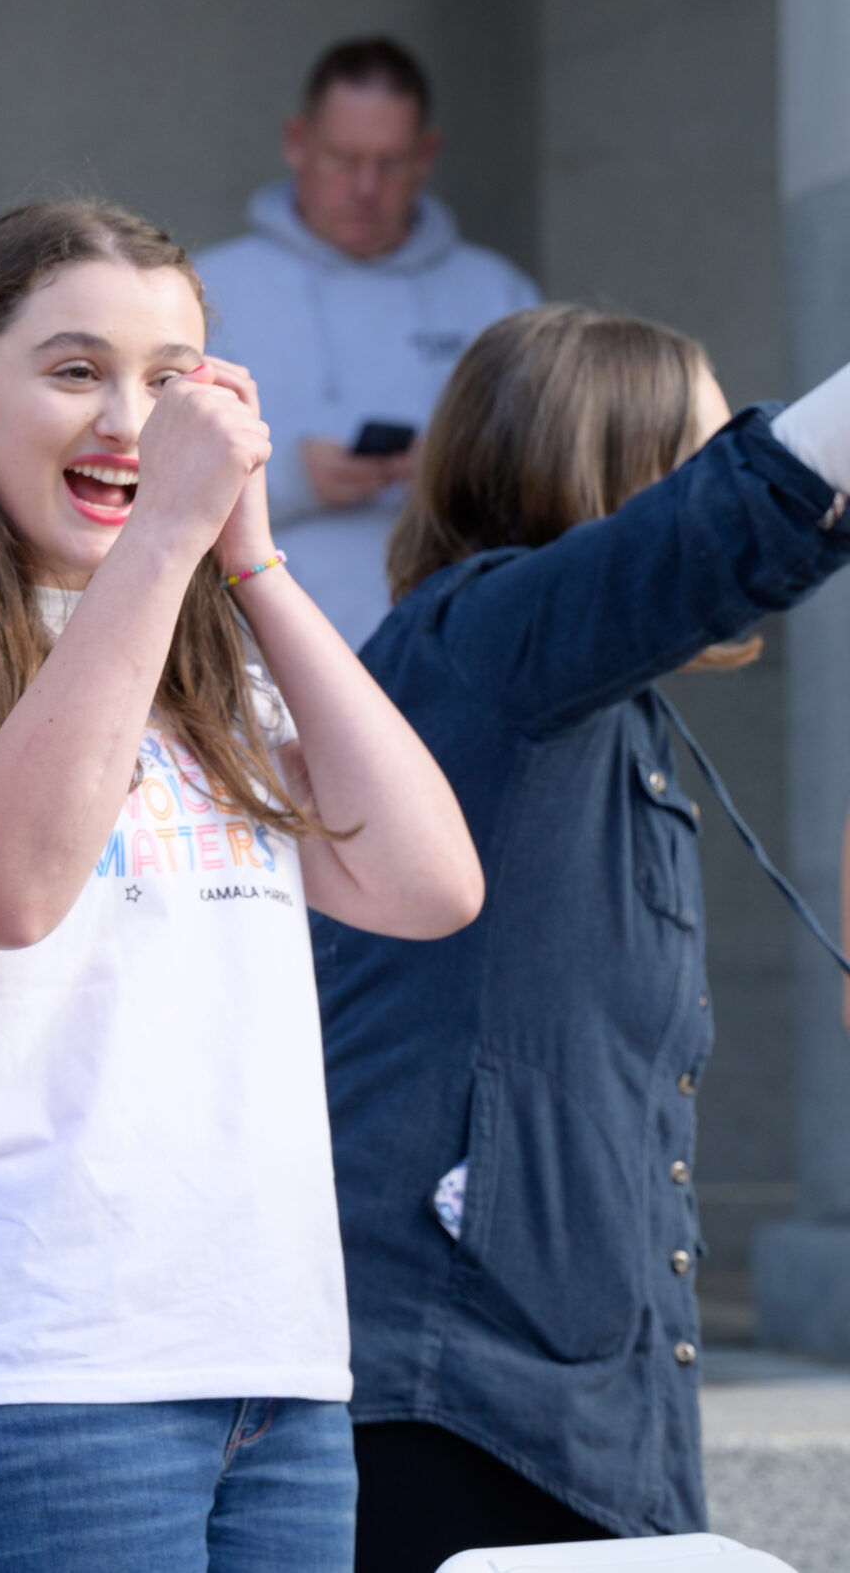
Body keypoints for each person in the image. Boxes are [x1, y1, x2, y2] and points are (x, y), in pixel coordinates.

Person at [0, 199, 482, 1572]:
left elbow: (426, 880)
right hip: (29, 1368)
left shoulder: (208, 647)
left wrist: (251, 556)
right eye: (77, 369)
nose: (130, 423)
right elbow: (8, 886)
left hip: (279, 1362)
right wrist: (165, 541)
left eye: (171, 378)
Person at [318, 311, 850, 1569]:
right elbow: (728, 528)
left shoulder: (581, 710)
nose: (739, 462)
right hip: (458, 1407)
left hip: (575, 1409)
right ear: (622, 480)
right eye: (711, 444)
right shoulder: (484, 640)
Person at [194, 36, 538, 647]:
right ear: (296, 143)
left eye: (388, 163)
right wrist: (291, 479)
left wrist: (453, 473)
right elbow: (143, 477)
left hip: (455, 658)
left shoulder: (497, 294)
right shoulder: (206, 288)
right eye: (343, 160)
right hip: (254, 671)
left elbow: (556, 481)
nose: (364, 187)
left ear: (426, 155)